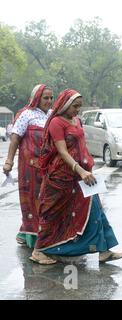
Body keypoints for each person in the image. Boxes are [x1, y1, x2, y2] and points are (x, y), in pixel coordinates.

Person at [31, 89, 122, 265]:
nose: (77, 110)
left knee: (95, 209)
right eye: (75, 106)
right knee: (53, 213)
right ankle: (38, 250)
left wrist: (87, 165)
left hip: (83, 174)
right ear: (65, 104)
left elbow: (81, 145)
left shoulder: (76, 121)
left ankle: (104, 250)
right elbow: (62, 151)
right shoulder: (56, 123)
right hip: (62, 176)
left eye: (79, 106)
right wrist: (80, 170)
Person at [2, 84, 53, 248]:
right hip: (30, 167)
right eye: (46, 98)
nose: (49, 101)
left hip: (49, 166)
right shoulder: (26, 114)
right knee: (32, 201)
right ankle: (36, 242)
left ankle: (26, 233)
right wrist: (9, 161)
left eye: (51, 98)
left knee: (47, 201)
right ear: (37, 98)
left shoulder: (53, 115)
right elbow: (15, 139)